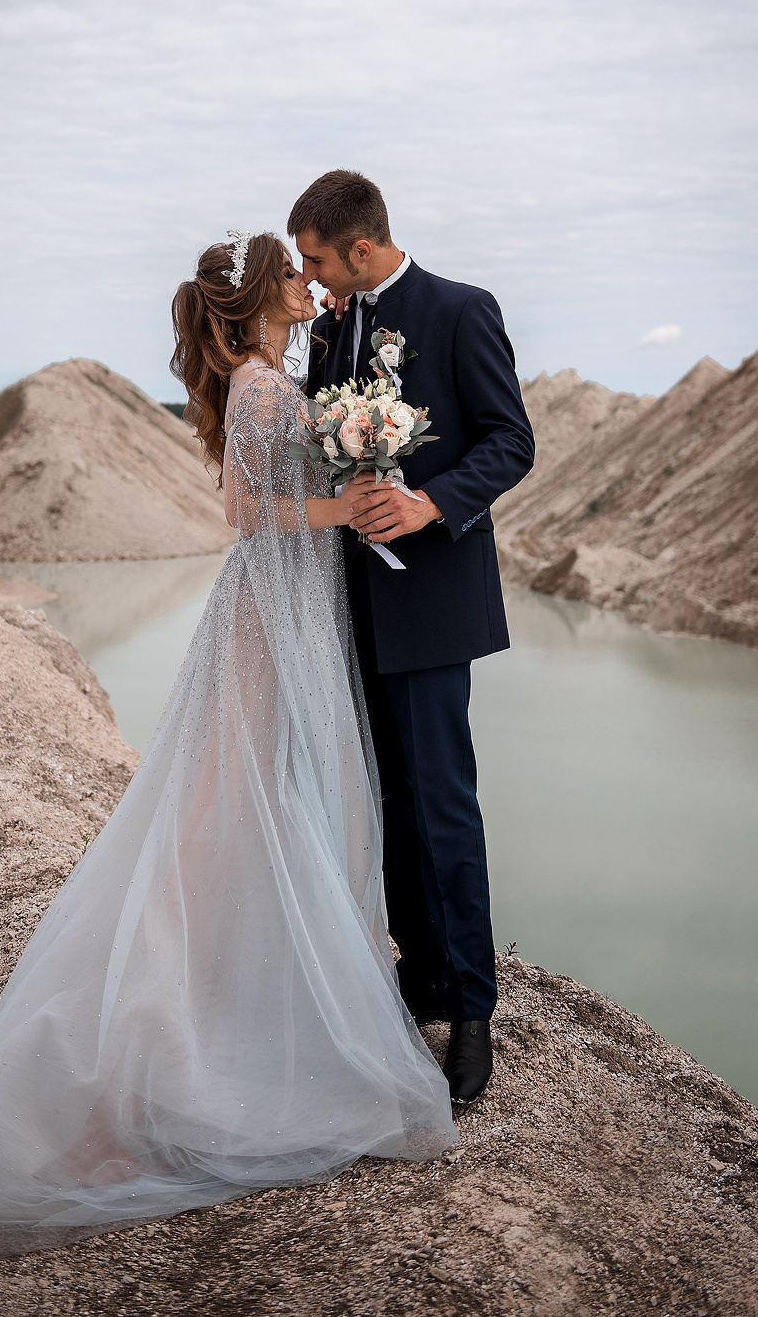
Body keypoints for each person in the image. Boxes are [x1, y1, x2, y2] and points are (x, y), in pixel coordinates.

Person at [0, 231, 455, 1258]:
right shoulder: (258, 388)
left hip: (296, 608)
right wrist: (355, 497)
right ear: (259, 297)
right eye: (293, 274)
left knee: (259, 809)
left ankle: (240, 1003)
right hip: (269, 610)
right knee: (217, 820)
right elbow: (252, 515)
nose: (309, 280)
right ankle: (140, 1059)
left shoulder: (269, 375)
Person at [290, 171, 535, 1104]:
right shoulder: (330, 330)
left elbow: (510, 443)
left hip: (433, 601)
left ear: (360, 248)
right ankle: (422, 979)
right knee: (388, 796)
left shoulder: (465, 309)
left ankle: (474, 1009)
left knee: (444, 804)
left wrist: (431, 501)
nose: (309, 280)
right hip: (353, 602)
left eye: (316, 258)